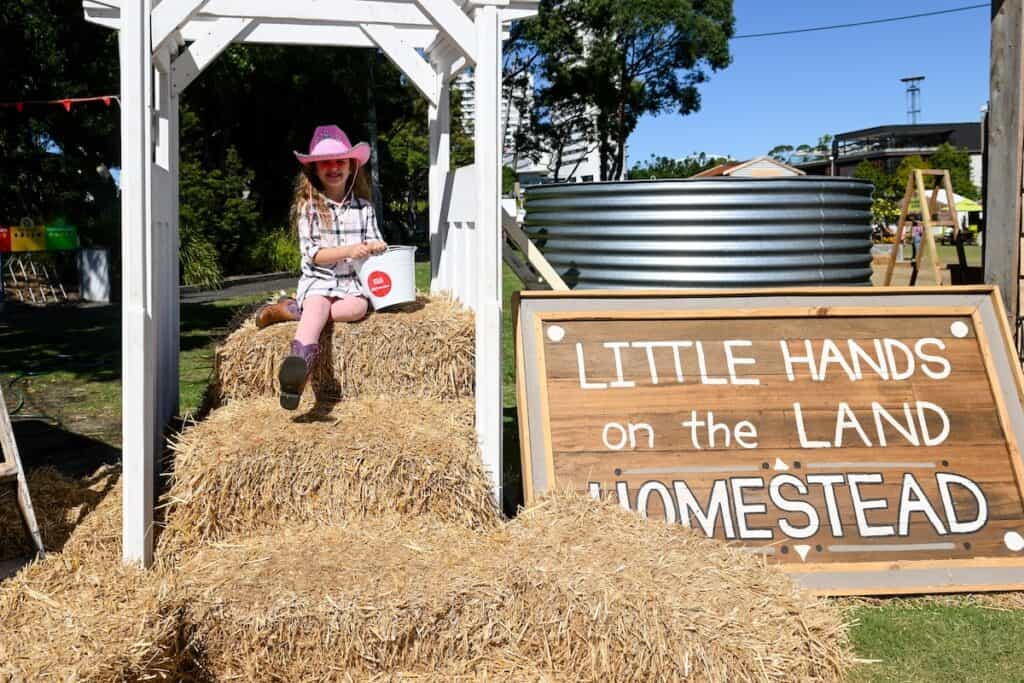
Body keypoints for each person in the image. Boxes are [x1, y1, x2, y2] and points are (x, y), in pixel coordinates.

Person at [259, 124, 387, 410]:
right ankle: (299, 368)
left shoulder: (364, 208)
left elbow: (376, 240)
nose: (333, 167)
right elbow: (314, 254)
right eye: (325, 163)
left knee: (357, 310)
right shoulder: (310, 208)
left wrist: (377, 246)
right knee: (318, 307)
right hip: (320, 280)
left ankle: (292, 310)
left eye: (339, 161)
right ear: (314, 170)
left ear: (352, 166)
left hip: (351, 284)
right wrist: (349, 250)